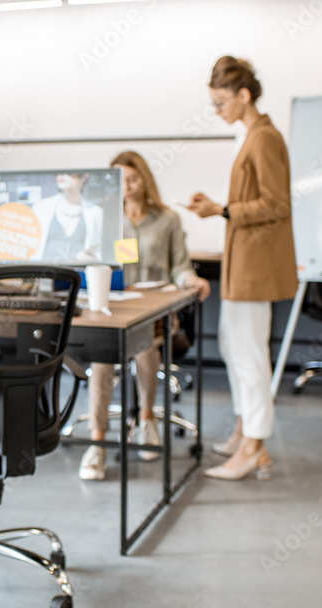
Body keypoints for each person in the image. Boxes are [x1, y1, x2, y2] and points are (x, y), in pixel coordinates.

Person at [187, 56, 297, 482]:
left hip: (255, 267)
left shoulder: (265, 138)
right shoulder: (252, 136)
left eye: (220, 103)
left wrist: (222, 209)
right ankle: (244, 431)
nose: (218, 112)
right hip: (242, 263)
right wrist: (219, 210)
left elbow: (278, 203)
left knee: (249, 356)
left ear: (243, 95)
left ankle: (255, 447)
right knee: (235, 349)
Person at [79, 152, 211, 481]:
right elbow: (89, 260)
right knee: (101, 360)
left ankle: (147, 418)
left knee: (144, 348)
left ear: (145, 178)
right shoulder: (104, 220)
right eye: (119, 182)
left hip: (155, 310)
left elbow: (180, 265)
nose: (127, 187)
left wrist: (190, 280)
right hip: (116, 305)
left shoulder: (167, 219)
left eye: (133, 179)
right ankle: (97, 442)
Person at [31, 172, 104, 263]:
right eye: (58, 171)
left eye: (70, 172)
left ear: (84, 176)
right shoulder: (41, 207)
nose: (62, 175)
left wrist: (93, 260)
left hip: (77, 274)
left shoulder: (95, 212)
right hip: (44, 274)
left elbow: (98, 251)